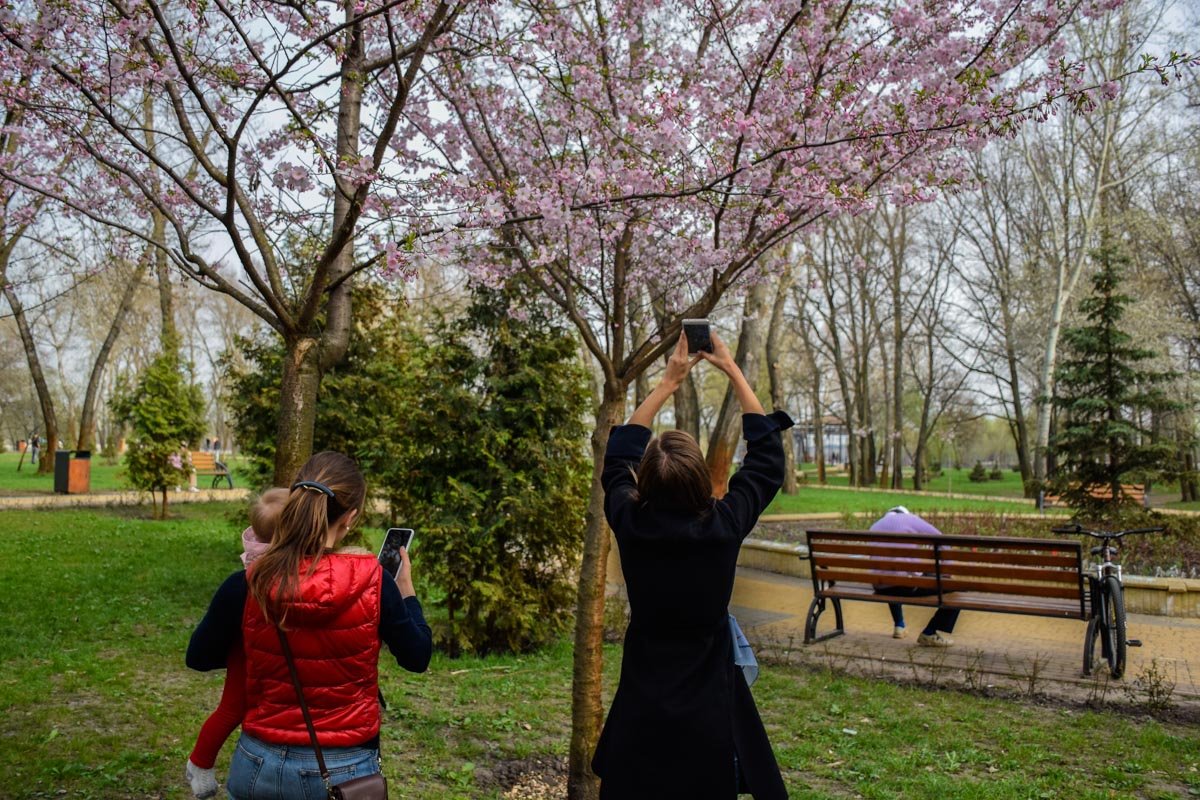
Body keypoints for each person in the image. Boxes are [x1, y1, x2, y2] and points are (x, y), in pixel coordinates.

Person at [593, 332, 792, 800]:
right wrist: (732, 369)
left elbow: (616, 458)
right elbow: (766, 463)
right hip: (707, 713)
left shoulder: (631, 522)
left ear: (646, 485)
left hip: (641, 708)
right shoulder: (723, 526)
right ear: (702, 478)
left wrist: (666, 383)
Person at [186, 451, 432, 799]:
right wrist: (406, 594)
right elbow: (417, 657)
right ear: (350, 518)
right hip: (345, 768)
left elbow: (198, 657)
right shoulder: (377, 583)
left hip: (258, 762)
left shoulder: (247, 583)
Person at [185, 488, 289, 798]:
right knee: (232, 708)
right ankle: (199, 762)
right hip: (247, 653)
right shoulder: (258, 577)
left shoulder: (251, 569)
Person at [869, 506, 959, 646]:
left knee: (892, 578)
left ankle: (899, 626)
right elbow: (942, 540)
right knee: (954, 590)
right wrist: (946, 572)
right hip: (908, 587)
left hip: (881, 587)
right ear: (905, 514)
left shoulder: (875, 526)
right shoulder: (910, 519)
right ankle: (929, 632)